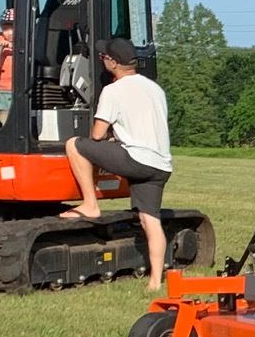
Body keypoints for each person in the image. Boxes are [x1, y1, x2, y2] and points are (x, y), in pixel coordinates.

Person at [62, 38, 175, 289]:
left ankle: (90, 205)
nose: (102, 60)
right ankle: (156, 281)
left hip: (135, 160)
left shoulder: (113, 91)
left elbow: (98, 135)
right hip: (161, 165)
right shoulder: (154, 88)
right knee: (150, 221)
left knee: (74, 144)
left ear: (113, 63)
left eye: (104, 58)